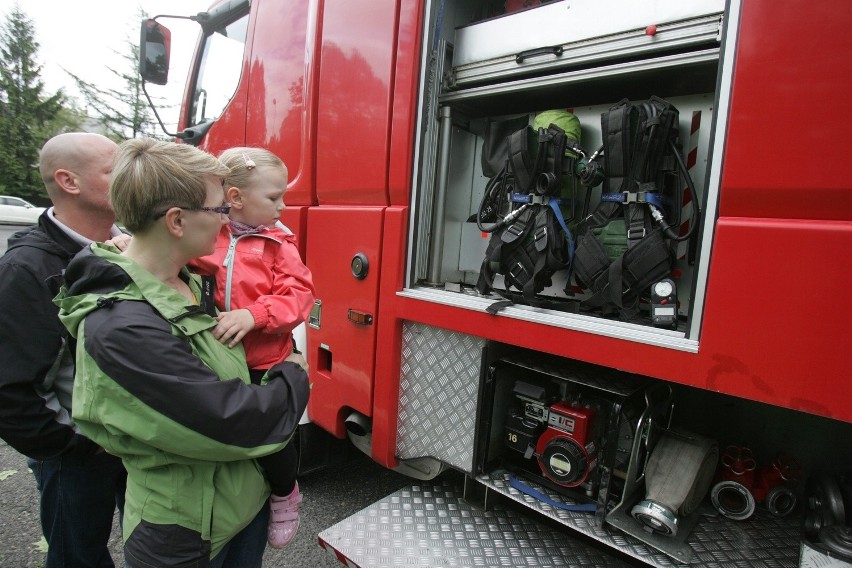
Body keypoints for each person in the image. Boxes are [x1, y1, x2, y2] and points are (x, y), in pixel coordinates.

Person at [54, 138, 309, 568]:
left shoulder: (185, 277)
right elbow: (238, 423)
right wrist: (294, 372)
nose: (227, 220)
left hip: (235, 507)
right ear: (176, 221)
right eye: (219, 210)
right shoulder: (122, 326)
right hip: (188, 536)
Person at [0, 132, 128, 568]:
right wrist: (76, 446)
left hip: (140, 442)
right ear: (69, 182)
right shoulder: (28, 269)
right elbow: (13, 389)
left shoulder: (135, 246)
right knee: (77, 555)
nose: (132, 177)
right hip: (77, 452)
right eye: (114, 170)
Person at [188, 146, 315, 549]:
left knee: (273, 438)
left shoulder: (280, 245)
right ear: (236, 199)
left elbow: (299, 298)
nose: (283, 205)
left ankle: (285, 491)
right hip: (218, 357)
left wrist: (254, 315)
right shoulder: (208, 234)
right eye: (274, 197)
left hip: (265, 359)